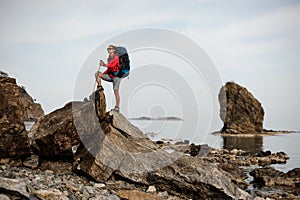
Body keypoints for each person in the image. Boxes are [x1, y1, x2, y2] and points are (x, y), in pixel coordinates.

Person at [95, 45, 124, 112]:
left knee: (116, 91)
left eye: (110, 49)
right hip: (110, 76)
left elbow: (112, 65)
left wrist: (104, 64)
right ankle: (100, 87)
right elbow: (109, 68)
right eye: (108, 49)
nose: (108, 50)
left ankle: (117, 107)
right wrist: (103, 74)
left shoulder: (117, 57)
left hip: (117, 77)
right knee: (97, 74)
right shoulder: (109, 58)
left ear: (114, 50)